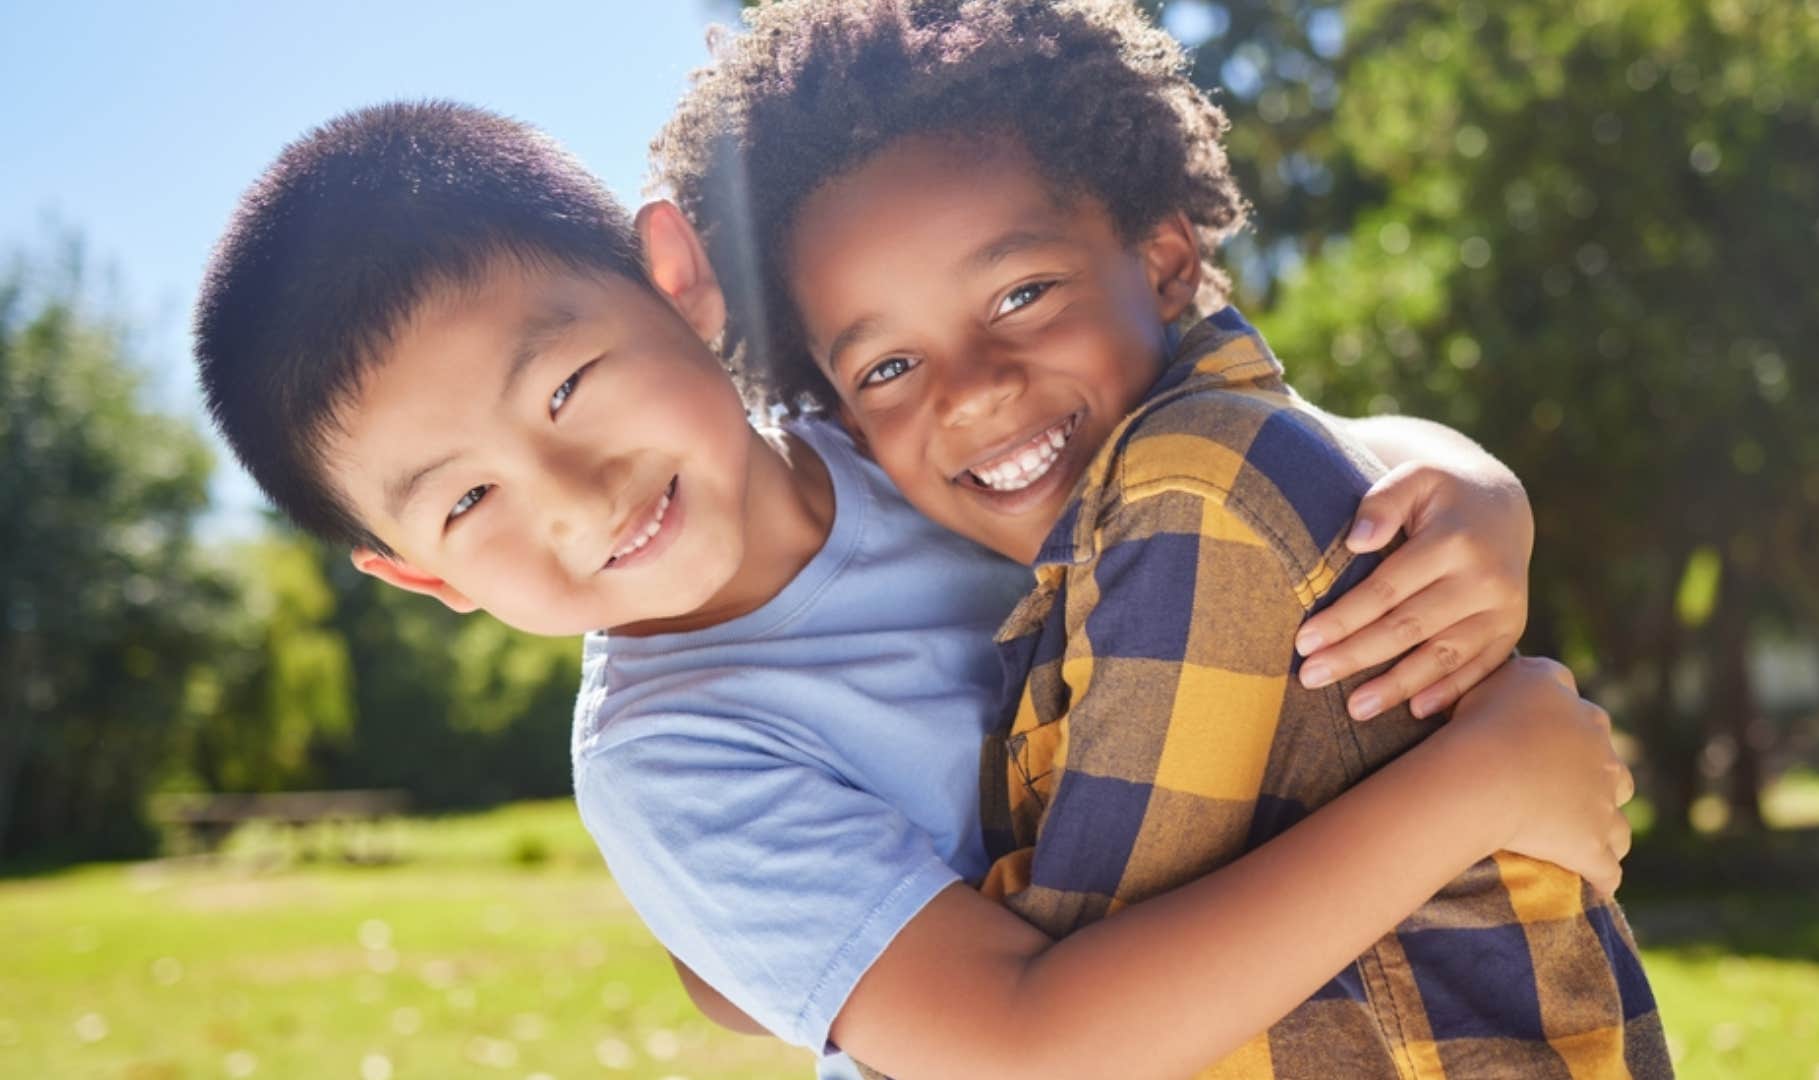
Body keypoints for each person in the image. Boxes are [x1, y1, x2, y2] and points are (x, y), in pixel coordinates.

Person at [195, 99, 1633, 1080]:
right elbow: (1024, 1050)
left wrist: (1460, 482)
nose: (574, 498)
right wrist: (1472, 787)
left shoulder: (913, 424)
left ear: (677, 280)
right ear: (417, 574)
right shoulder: (672, 758)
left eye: (568, 386)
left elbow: (1222, 459)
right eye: (466, 500)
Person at [653, 1, 1669, 1076]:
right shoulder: (1122, 515)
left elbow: (1076, 1009)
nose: (975, 392)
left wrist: (798, 956)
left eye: (1023, 292)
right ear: (847, 421)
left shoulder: (1190, 500)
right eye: (888, 369)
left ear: (1168, 260)